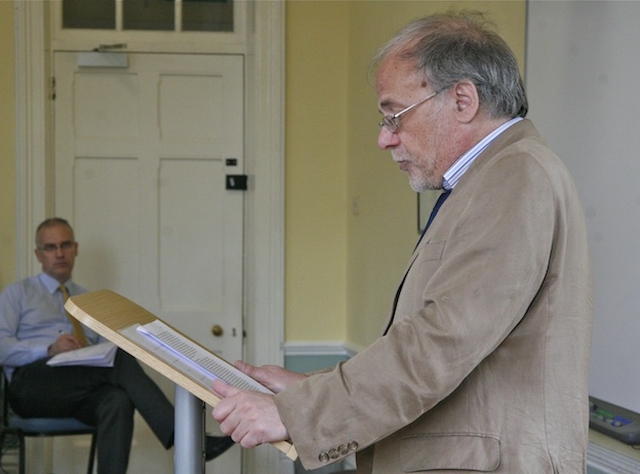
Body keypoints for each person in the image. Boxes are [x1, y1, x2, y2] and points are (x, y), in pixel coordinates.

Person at [210, 11, 594, 474]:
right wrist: (308, 388)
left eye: (394, 115)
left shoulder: (515, 175)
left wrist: (295, 412)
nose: (383, 138)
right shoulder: (490, 177)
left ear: (463, 100)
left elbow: (441, 342)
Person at [0, 217, 235, 474]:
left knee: (118, 400)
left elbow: (105, 353)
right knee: (120, 361)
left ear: (75, 248)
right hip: (32, 386)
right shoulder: (17, 293)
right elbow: (2, 347)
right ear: (38, 254)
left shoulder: (89, 301)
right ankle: (186, 437)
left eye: (65, 245)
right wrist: (48, 348)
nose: (59, 253)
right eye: (50, 247)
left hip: (80, 386)